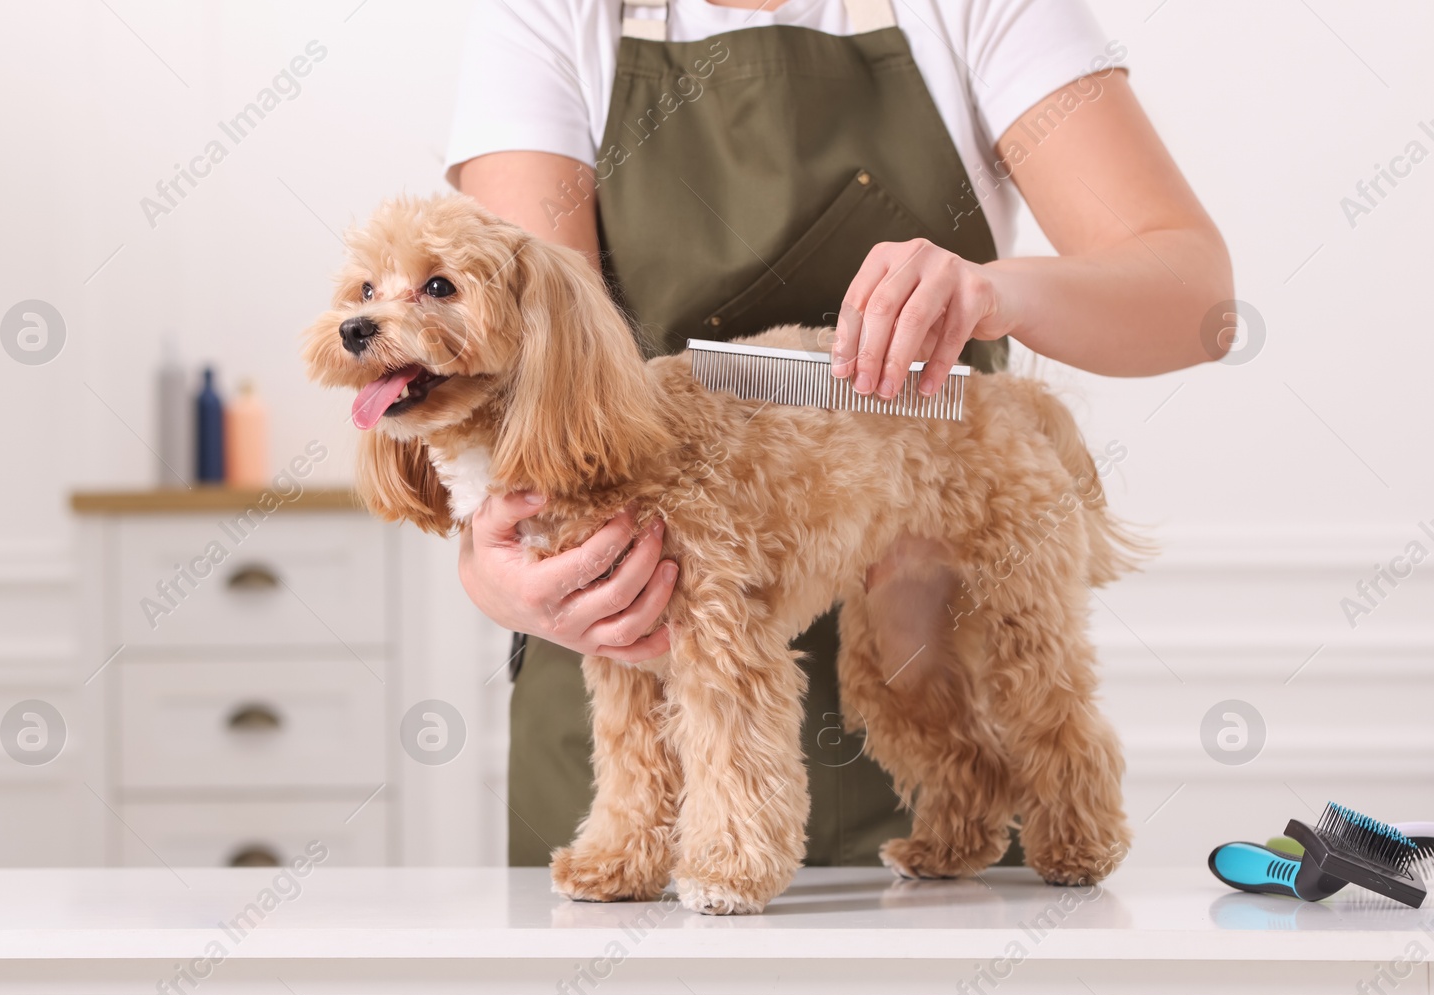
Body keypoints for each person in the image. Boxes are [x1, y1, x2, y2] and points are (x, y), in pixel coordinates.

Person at [444, 0, 1231, 866]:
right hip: (623, 647)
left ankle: (977, 802)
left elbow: (1199, 305)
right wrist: (496, 565)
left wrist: (997, 292)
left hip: (930, 617)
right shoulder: (546, 15)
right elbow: (529, 356)